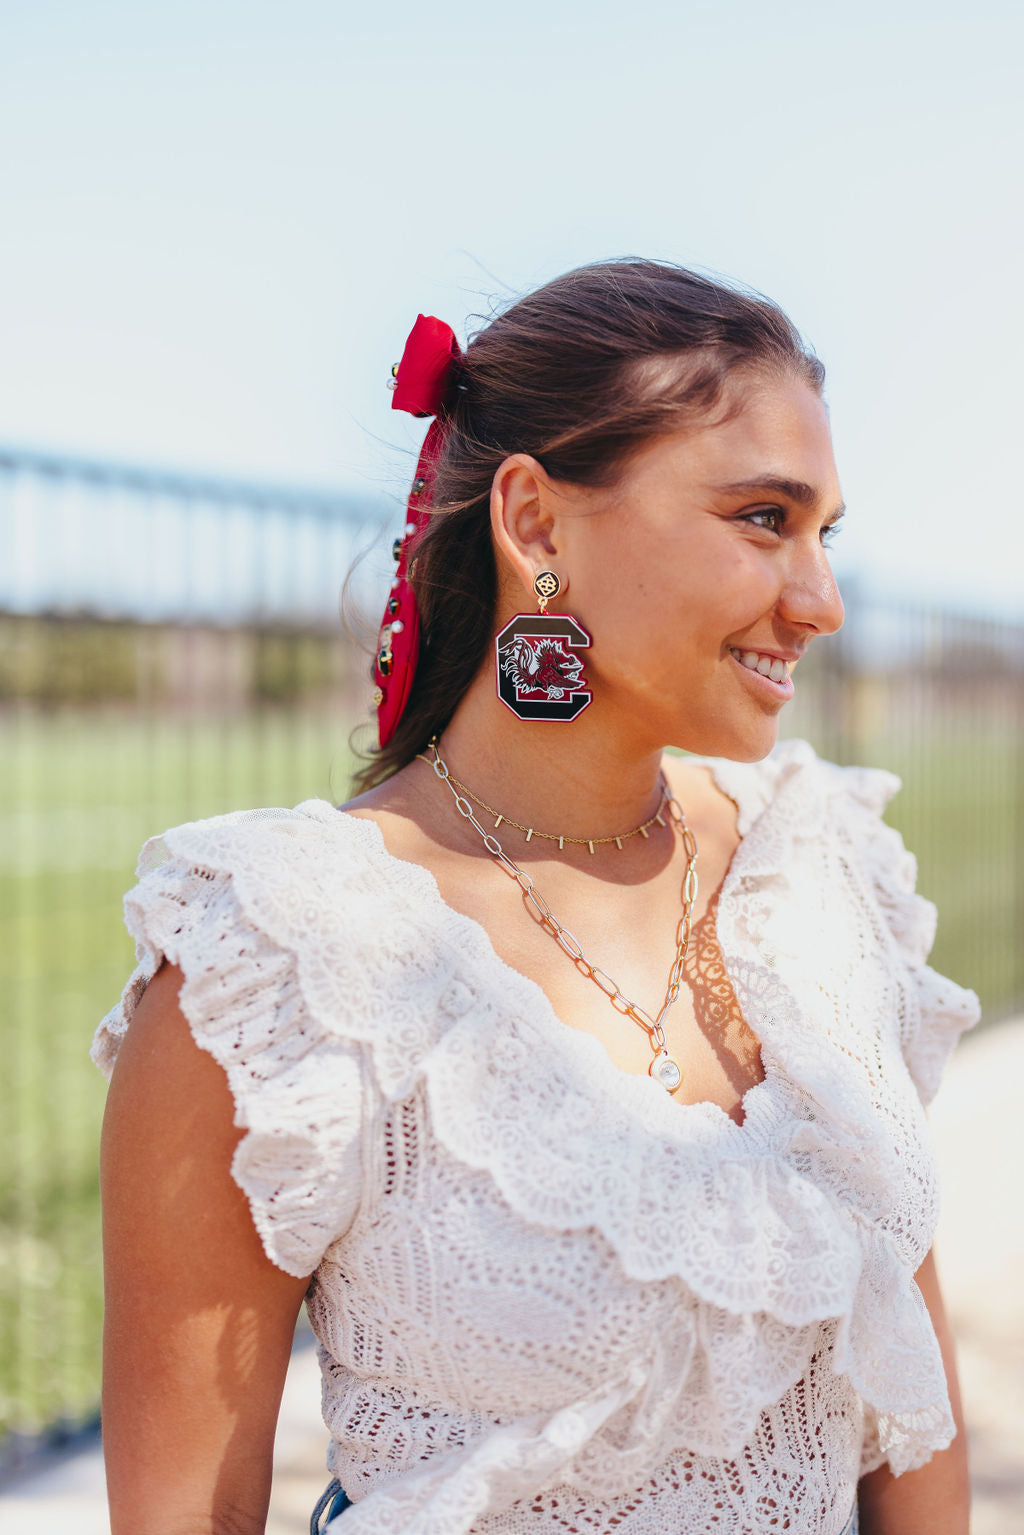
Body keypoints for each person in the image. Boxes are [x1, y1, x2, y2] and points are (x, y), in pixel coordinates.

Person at [93, 260, 979, 1535]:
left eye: (823, 531)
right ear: (536, 523)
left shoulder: (820, 869)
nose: (819, 600)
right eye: (760, 519)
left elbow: (905, 1375)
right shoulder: (276, 963)